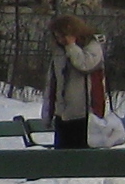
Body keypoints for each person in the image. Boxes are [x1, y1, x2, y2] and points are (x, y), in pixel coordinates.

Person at [45, 13, 108, 147]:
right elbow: (53, 83)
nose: (60, 40)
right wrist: (48, 112)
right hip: (63, 113)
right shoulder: (59, 52)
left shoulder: (92, 47)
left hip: (85, 113)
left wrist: (72, 46)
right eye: (57, 37)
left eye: (63, 36)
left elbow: (84, 64)